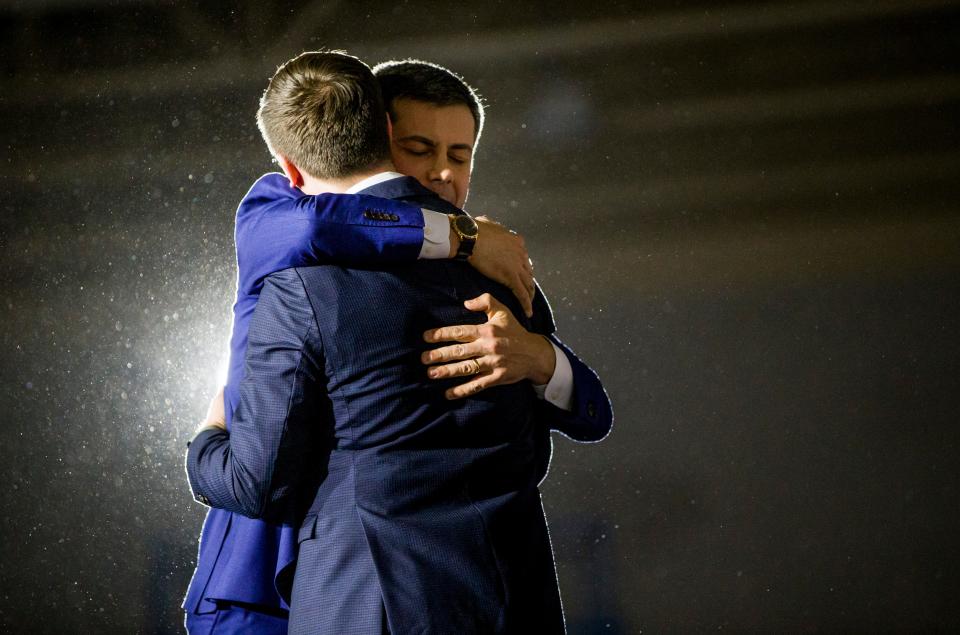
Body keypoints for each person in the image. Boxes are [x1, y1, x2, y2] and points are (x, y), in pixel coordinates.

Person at [183, 53, 612, 632]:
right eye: (421, 149)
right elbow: (318, 223)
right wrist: (460, 236)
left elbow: (259, 479)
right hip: (503, 598)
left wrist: (543, 361)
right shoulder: (482, 255)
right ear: (381, 136)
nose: (441, 174)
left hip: (364, 594)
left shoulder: (498, 269)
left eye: (459, 156)